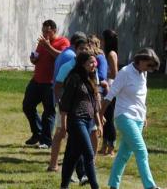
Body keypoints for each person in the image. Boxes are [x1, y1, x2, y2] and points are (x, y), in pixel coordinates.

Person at [105, 48, 160, 189]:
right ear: (140, 60)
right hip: (124, 116)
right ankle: (150, 186)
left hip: (138, 118)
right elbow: (110, 95)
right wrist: (99, 115)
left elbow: (141, 97)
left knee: (124, 154)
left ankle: (113, 185)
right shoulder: (125, 73)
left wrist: (144, 115)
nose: (150, 69)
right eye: (149, 65)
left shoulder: (143, 73)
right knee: (141, 151)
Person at [23, 19, 71, 148]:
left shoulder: (63, 42)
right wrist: (33, 59)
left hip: (51, 82)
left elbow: (62, 57)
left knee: (48, 111)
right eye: (43, 31)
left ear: (54, 31)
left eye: (47, 31)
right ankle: (37, 133)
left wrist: (48, 46)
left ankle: (46, 141)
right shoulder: (42, 42)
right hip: (37, 79)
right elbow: (37, 57)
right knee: (27, 106)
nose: (45, 34)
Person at [59, 52, 101, 189]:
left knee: (73, 155)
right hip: (76, 120)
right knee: (88, 153)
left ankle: (64, 186)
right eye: (90, 62)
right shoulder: (74, 78)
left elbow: (94, 104)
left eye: (94, 62)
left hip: (88, 121)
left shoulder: (91, 78)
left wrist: (99, 122)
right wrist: (64, 125)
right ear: (82, 63)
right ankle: (95, 186)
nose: (94, 65)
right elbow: (65, 103)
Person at [49, 32, 90, 173]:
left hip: (82, 108)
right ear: (76, 50)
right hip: (66, 107)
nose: (84, 51)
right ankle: (53, 164)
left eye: (86, 49)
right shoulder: (68, 66)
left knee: (78, 137)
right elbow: (57, 86)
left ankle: (79, 169)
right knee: (61, 133)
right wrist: (63, 104)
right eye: (81, 49)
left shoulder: (89, 67)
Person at [99, 29, 119, 156]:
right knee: (104, 117)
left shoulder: (111, 54)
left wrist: (102, 73)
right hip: (106, 87)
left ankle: (111, 146)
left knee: (109, 118)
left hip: (111, 88)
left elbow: (115, 74)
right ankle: (104, 145)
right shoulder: (106, 53)